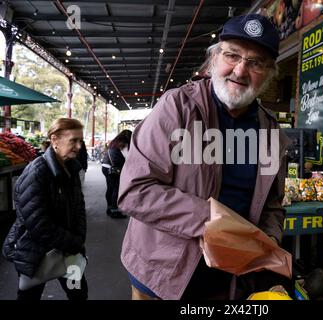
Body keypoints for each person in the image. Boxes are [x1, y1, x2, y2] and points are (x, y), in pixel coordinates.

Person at [117, 13, 290, 300]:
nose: (240, 70)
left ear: (270, 74)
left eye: (256, 62)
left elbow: (273, 205)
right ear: (213, 60)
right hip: (163, 274)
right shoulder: (178, 107)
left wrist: (268, 240)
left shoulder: (271, 131)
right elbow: (135, 191)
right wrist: (213, 220)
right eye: (232, 55)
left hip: (231, 277)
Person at [2, 118, 88, 300]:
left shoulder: (71, 168)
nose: (79, 146)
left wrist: (79, 238)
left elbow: (79, 206)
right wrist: (73, 242)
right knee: (30, 296)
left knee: (79, 293)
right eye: (74, 140)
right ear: (55, 139)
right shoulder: (36, 172)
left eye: (81, 141)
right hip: (36, 252)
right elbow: (38, 224)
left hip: (69, 251)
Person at [101, 130, 132, 219]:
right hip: (114, 169)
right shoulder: (124, 143)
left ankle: (109, 208)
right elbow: (128, 156)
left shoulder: (113, 143)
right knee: (116, 189)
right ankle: (114, 211)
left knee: (110, 188)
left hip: (105, 167)